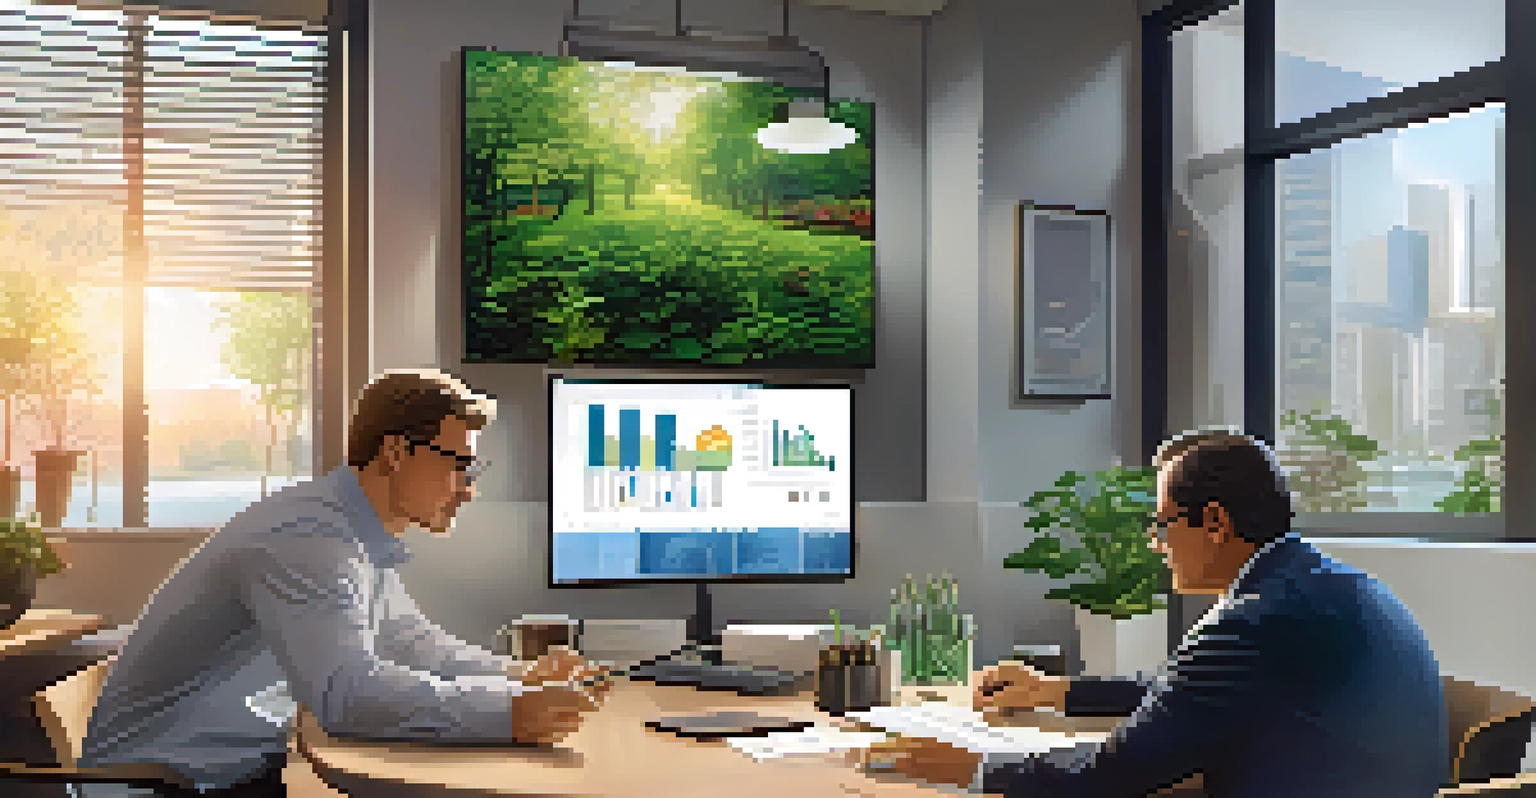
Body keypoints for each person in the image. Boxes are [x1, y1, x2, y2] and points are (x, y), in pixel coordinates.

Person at [75, 369, 610, 798]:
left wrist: (521, 677)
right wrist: (511, 712)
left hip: (233, 771)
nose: (467, 489)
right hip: (168, 783)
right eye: (459, 466)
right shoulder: (308, 538)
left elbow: (408, 641)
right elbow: (346, 694)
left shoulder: (348, 530)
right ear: (395, 452)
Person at [869, 429, 1447, 797]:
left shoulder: (1252, 621)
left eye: (1164, 523)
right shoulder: (1326, 586)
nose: (1155, 543)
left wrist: (976, 768)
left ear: (1215, 523)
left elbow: (1117, 773)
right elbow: (1185, 689)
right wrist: (1055, 692)